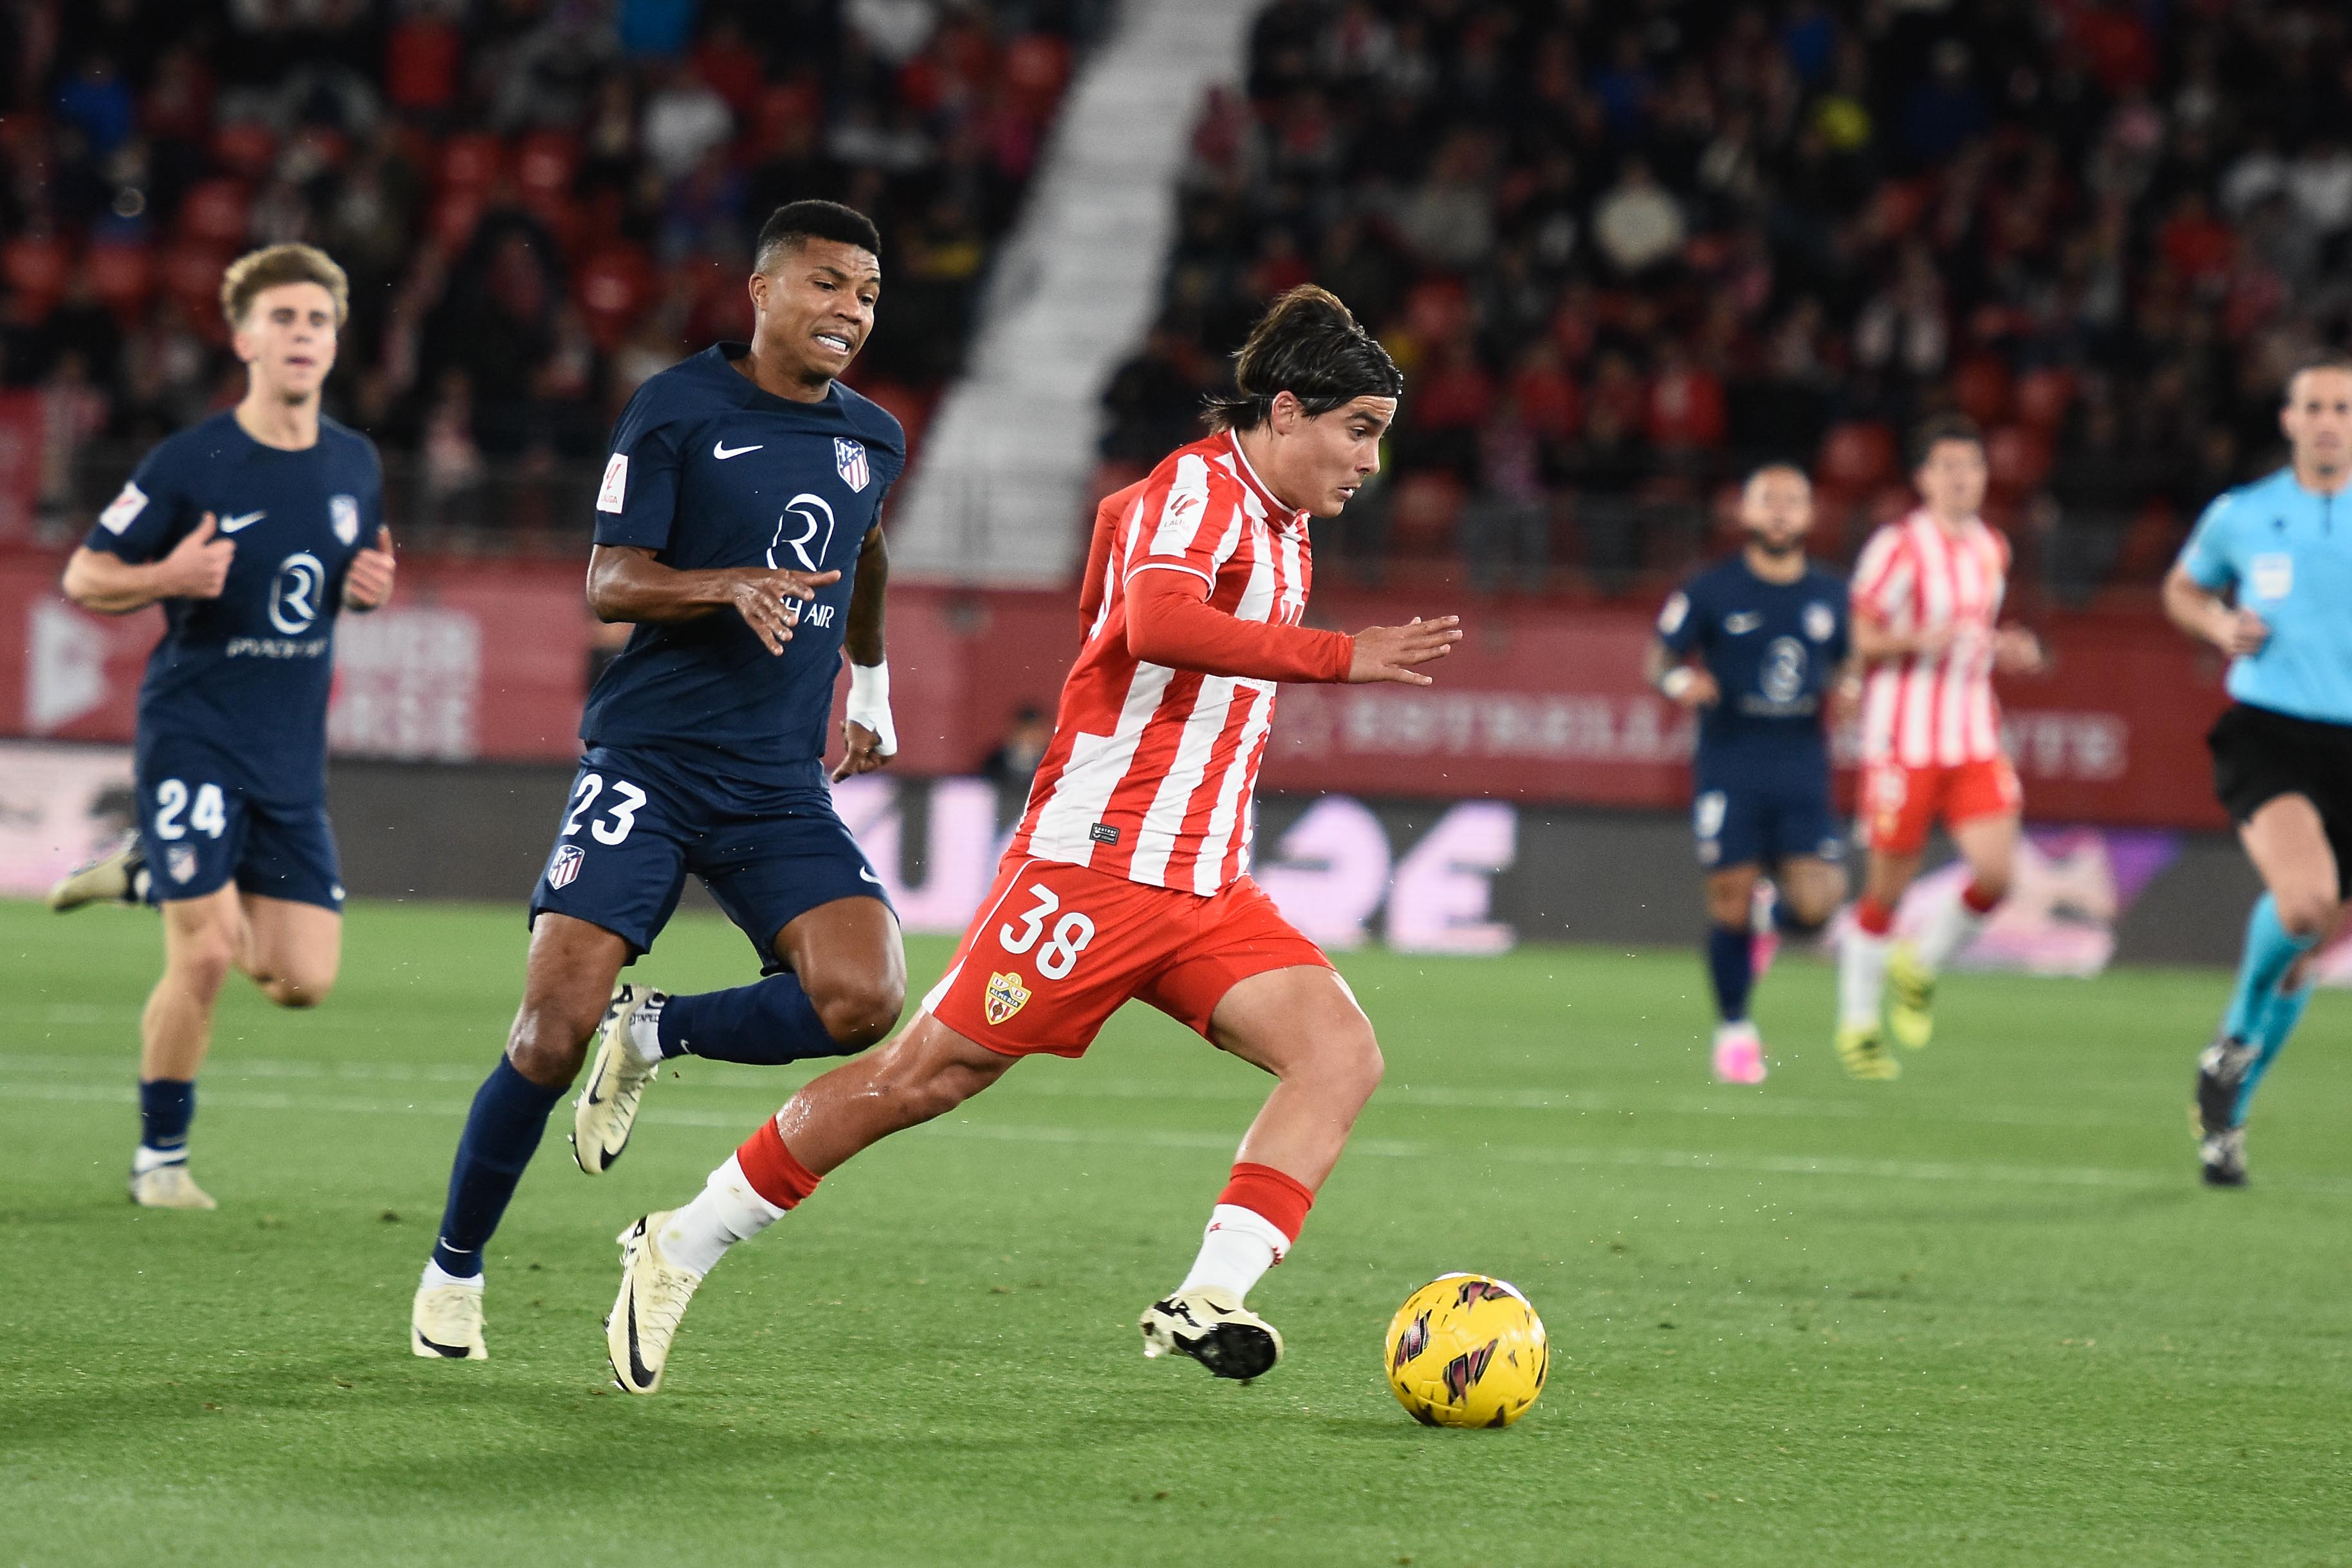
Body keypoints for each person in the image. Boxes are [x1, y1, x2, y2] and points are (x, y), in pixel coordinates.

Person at [598, 285, 1463, 1395]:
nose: (1369, 463)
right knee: (921, 1078)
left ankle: (1212, 1292)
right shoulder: (1201, 487)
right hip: (1095, 866)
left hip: (1200, 882)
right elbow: (1154, 619)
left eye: (1379, 439)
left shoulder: (1280, 527)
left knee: (1340, 1053)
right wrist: (1342, 657)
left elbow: (1116, 565)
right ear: (1285, 412)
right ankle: (681, 1239)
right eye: (1359, 432)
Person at [411, 201, 907, 1361]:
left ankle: (658, 1030)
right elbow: (610, 579)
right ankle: (453, 1271)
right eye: (829, 284)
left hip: (776, 780)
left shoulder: (874, 436)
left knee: (867, 998)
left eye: (869, 295)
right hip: (651, 762)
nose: (850, 311)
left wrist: (871, 683)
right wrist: (725, 583)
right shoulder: (679, 405)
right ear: (764, 290)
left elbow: (868, 542)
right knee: (545, 1033)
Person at [48, 244, 397, 1210]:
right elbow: (85, 574)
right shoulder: (191, 460)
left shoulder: (355, 463)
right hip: (194, 733)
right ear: (243, 338)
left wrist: (366, 596)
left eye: (317, 321)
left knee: (300, 981)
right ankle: (159, 1159)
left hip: (288, 753)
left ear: (335, 342)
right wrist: (165, 578)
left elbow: (338, 583)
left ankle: (153, 867)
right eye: (281, 319)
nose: (301, 336)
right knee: (201, 953)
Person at [2165, 358, 2352, 1186]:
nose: (2326, 421)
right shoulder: (2242, 514)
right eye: (2313, 406)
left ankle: (2224, 1121)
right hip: (2268, 732)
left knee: (2304, 953)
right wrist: (2213, 619)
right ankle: (2235, 1036)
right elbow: (2181, 586)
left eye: (2342, 409)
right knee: (2304, 901)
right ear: (2286, 419)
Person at [1835, 415, 2046, 1080]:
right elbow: (1860, 636)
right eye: (1947, 467)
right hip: (1902, 738)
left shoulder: (1991, 548)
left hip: (1972, 733)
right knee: (1885, 891)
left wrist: (2009, 647)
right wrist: (1912, 639)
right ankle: (1858, 1025)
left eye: (1972, 467)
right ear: (1923, 478)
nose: (1961, 480)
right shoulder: (1896, 547)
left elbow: (1973, 632)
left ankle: (1920, 963)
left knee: (1997, 874)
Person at [1648, 464, 1851, 1084]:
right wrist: (1684, 681)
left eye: (1794, 501)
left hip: (1800, 764)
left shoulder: (1831, 594)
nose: (1782, 511)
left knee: (1819, 905)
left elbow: (1851, 661)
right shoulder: (1711, 589)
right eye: (1770, 500)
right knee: (1728, 901)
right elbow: (1659, 659)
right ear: (1747, 512)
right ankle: (1734, 1029)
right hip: (1730, 761)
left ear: (1811, 516)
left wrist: (1851, 688)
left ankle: (1775, 924)